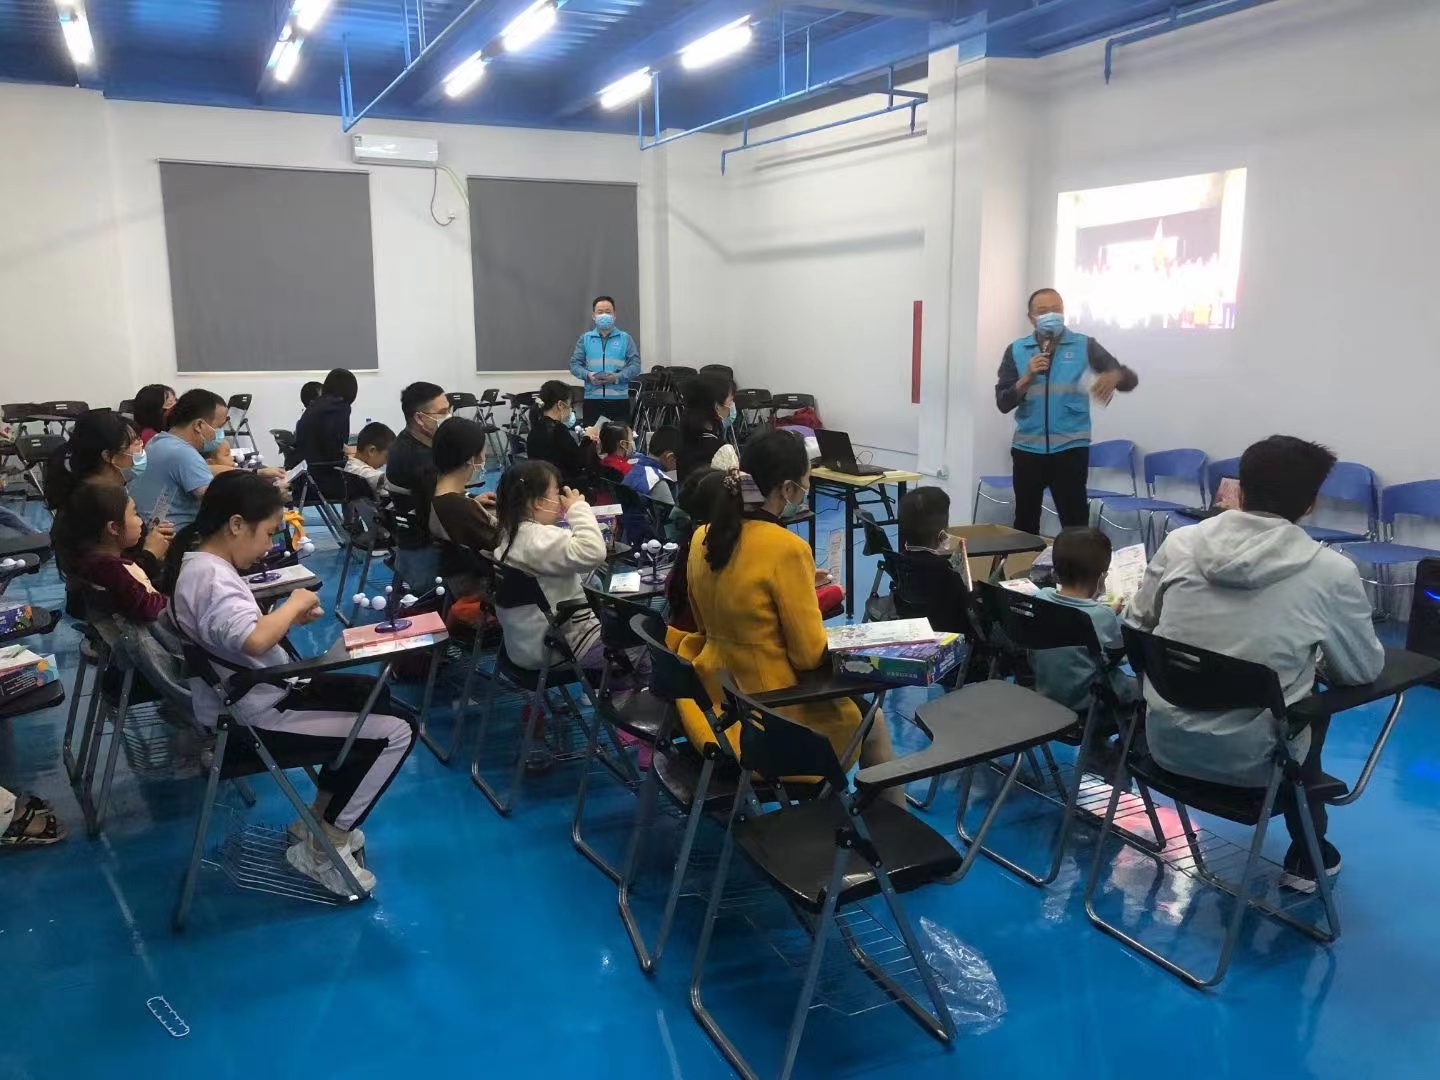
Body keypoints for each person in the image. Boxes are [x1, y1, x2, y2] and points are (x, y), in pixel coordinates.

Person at [1127, 435, 1386, 892]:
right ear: (1311, 503)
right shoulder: (1331, 572)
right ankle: (1307, 856)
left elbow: (1136, 624)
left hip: (1162, 744)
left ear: (1240, 491)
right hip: (1255, 765)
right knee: (1306, 697)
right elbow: (1360, 671)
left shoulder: (1179, 543)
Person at [168, 471, 413, 896]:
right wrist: (295, 601)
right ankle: (324, 850)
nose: (269, 546)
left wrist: (287, 617)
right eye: (267, 534)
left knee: (373, 696)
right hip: (254, 715)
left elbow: (238, 635)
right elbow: (254, 639)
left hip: (257, 691)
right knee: (398, 731)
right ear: (236, 524)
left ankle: (317, 819)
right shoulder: (210, 579)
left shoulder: (202, 567)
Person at [674, 430, 899, 801]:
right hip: (771, 712)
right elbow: (808, 655)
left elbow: (711, 615)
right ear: (789, 489)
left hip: (716, 700)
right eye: (806, 484)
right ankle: (892, 826)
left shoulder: (702, 536)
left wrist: (798, 588)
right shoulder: (787, 549)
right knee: (872, 720)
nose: (807, 492)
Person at [995, 288, 1139, 536]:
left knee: (1075, 525)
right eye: (1043, 311)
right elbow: (1003, 402)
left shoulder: (1084, 345)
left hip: (1070, 450)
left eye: (1056, 309)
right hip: (1027, 450)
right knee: (1025, 524)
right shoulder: (1016, 350)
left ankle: (1076, 563)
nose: (1051, 315)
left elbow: (1129, 380)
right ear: (1031, 317)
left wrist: (1115, 375)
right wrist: (1027, 377)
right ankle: (1024, 562)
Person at [43, 409, 173, 590]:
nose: (141, 451)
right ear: (108, 456)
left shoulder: (100, 492)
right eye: (134, 445)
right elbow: (115, 577)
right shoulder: (95, 505)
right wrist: (151, 553)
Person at [1031, 527, 1137, 732]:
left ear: (1055, 571)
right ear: (1102, 577)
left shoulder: (1040, 598)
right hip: (1088, 700)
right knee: (1147, 692)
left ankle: (1097, 745)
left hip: (1047, 692)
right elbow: (1121, 657)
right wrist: (1114, 617)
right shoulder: (1101, 616)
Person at [51, 483, 169, 622]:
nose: (140, 522)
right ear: (113, 528)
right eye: (135, 514)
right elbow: (148, 608)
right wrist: (174, 602)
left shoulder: (88, 560)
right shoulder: (113, 570)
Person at [130, 389, 234, 527]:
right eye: (219, 427)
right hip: (176, 535)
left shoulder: (157, 441)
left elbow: (193, 470)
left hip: (149, 529)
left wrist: (250, 473)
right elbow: (219, 500)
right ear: (199, 425)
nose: (220, 433)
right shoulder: (183, 453)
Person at [387, 382, 452, 584]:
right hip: (427, 552)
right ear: (420, 418)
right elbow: (444, 516)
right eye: (442, 413)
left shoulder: (406, 440)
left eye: (449, 410)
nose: (449, 417)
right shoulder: (418, 461)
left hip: (409, 542)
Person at [428, 418, 500, 590]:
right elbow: (505, 544)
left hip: (455, 579)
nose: (484, 458)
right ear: (470, 459)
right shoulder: (457, 507)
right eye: (483, 453)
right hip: (478, 586)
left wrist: (471, 503)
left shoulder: (434, 491)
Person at [293, 368, 369, 503]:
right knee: (367, 484)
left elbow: (330, 441)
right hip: (323, 480)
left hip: (304, 479)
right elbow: (335, 450)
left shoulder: (315, 405)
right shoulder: (340, 407)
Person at [569, 295, 641, 425]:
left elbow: (635, 366)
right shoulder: (585, 339)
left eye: (608, 312)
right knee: (592, 436)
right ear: (593, 316)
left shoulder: (625, 338)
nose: (604, 315)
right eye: (600, 312)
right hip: (592, 400)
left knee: (619, 437)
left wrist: (617, 377)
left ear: (614, 315)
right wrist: (588, 375)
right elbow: (574, 365)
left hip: (619, 401)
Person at [524, 380, 599, 490]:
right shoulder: (558, 430)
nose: (571, 409)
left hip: (542, 486)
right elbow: (578, 462)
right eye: (570, 405)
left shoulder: (536, 427)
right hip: (563, 488)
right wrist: (587, 438)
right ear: (560, 405)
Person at [620, 425, 681, 542]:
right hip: (651, 542)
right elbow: (673, 526)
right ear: (670, 457)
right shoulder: (658, 483)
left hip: (627, 535)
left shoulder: (633, 464)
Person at [676, 371, 736, 482]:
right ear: (717, 406)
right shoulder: (723, 450)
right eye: (731, 400)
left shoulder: (680, 442)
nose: (732, 405)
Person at [344, 421, 394, 497]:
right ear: (371, 451)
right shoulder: (359, 471)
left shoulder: (349, 464)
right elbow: (390, 482)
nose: (386, 463)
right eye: (387, 457)